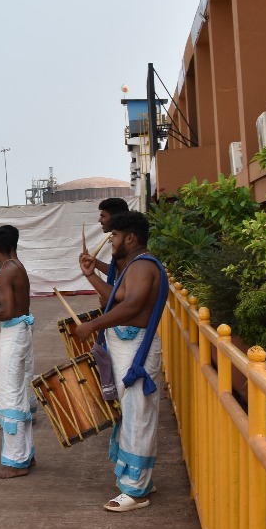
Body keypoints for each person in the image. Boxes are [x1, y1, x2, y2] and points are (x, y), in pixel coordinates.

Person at [74, 211, 168, 512]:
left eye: (114, 236)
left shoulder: (142, 265)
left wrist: (93, 325)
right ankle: (139, 481)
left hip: (137, 351)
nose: (111, 241)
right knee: (131, 415)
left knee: (138, 416)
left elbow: (132, 305)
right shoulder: (133, 267)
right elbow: (117, 298)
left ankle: (136, 492)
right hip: (128, 349)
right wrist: (90, 275)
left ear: (130, 237)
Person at [0, 225, 36, 478]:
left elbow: (8, 311)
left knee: (10, 395)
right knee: (19, 393)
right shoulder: (17, 266)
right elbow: (11, 300)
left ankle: (16, 461)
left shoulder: (4, 271)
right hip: (22, 330)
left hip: (14, 332)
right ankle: (25, 454)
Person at [78, 196, 132, 302]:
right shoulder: (124, 243)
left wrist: (91, 274)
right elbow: (118, 272)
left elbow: (125, 297)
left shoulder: (126, 246)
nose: (100, 220)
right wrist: (95, 263)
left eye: (103, 216)